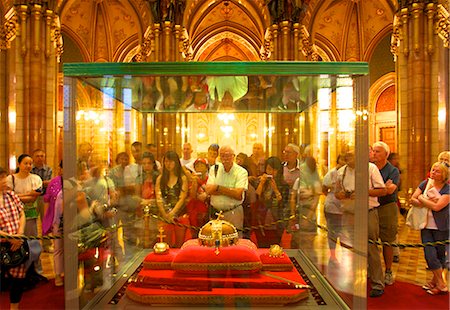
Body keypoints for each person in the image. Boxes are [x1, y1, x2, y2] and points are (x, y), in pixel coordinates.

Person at [335, 150, 387, 297]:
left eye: (350, 156)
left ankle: (377, 282)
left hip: (367, 212)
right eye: (346, 157)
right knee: (350, 247)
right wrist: (344, 195)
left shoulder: (371, 168)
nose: (347, 158)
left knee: (371, 248)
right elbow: (336, 193)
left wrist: (363, 192)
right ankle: (355, 278)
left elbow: (382, 190)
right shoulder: (341, 172)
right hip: (349, 213)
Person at [410, 162, 449, 295]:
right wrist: (424, 200)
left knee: (439, 255)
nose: (433, 173)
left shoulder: (447, 189)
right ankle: (442, 284)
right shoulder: (425, 184)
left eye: (437, 171)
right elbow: (412, 199)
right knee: (429, 255)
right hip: (425, 225)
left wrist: (422, 198)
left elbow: (438, 207)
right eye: (432, 170)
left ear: (444, 174)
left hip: (441, 226)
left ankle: (435, 282)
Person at [6, 154, 43, 274]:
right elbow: (9, 197)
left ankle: (35, 270)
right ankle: (16, 269)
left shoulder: (36, 178)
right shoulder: (10, 179)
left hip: (30, 214)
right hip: (14, 216)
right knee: (16, 243)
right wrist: (27, 194)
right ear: (19, 164)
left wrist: (16, 195)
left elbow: (33, 198)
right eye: (25, 163)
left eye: (30, 164)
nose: (28, 166)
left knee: (33, 242)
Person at [372, 141, 400, 286]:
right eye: (374, 151)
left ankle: (388, 270)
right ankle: (373, 270)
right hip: (371, 207)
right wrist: (382, 187)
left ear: (385, 154)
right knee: (371, 240)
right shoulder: (370, 168)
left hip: (387, 207)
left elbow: (390, 190)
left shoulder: (393, 171)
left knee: (387, 240)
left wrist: (377, 189)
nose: (374, 153)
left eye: (378, 151)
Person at [0, 167, 27, 310]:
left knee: (18, 278)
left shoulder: (11, 195)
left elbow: (22, 214)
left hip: (17, 243)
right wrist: (10, 238)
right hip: (3, 244)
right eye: (1, 178)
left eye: (5, 177)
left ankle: (14, 307)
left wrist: (20, 234)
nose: (5, 180)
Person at [205, 145, 248, 233]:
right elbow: (209, 190)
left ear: (233, 156)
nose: (225, 158)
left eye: (228, 155)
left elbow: (238, 195)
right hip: (215, 213)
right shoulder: (214, 169)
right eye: (222, 155)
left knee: (235, 240)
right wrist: (230, 190)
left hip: (233, 213)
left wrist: (217, 188)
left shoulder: (241, 172)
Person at [252, 156, 289, 247]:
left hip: (275, 220)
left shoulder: (284, 185)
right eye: (269, 169)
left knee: (274, 245)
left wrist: (275, 189)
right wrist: (261, 183)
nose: (271, 172)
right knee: (261, 244)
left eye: (274, 170)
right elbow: (256, 197)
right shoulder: (260, 181)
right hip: (261, 219)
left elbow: (283, 203)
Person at [155, 151, 189, 247]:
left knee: (180, 244)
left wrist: (172, 213)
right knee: (165, 244)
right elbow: (159, 198)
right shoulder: (160, 179)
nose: (168, 164)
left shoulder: (182, 178)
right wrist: (165, 214)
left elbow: (182, 198)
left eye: (171, 161)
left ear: (176, 162)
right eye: (166, 162)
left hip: (180, 216)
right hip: (164, 216)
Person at [42, 161, 64, 286]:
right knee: (58, 248)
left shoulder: (74, 182)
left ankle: (70, 272)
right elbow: (47, 201)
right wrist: (47, 219)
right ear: (60, 169)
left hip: (71, 221)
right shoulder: (54, 182)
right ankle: (57, 275)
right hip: (57, 221)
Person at [322, 154, 346, 263]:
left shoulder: (349, 172)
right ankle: (332, 255)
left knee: (345, 233)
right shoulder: (331, 173)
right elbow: (324, 188)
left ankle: (345, 256)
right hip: (333, 206)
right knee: (333, 232)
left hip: (346, 207)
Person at [31, 149, 53, 253]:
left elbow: (49, 183)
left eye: (42, 156)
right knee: (32, 222)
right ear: (33, 158)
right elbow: (31, 183)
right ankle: (33, 245)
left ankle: (47, 244)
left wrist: (38, 183)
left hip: (45, 198)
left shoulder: (48, 169)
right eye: (37, 156)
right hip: (32, 198)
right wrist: (42, 183)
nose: (40, 158)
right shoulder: (30, 169)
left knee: (46, 221)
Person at [137, 152, 160, 247]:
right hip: (142, 211)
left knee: (153, 238)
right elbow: (135, 195)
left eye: (149, 163)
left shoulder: (158, 177)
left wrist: (151, 201)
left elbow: (160, 196)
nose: (146, 166)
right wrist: (141, 201)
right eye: (144, 163)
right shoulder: (139, 178)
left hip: (155, 212)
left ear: (153, 164)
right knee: (142, 238)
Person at [186, 158, 209, 237]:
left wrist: (201, 183)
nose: (199, 168)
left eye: (202, 165)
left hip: (206, 210)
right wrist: (195, 182)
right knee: (194, 233)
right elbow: (192, 195)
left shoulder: (210, 180)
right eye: (197, 166)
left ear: (206, 168)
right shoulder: (192, 180)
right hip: (194, 210)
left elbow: (210, 193)